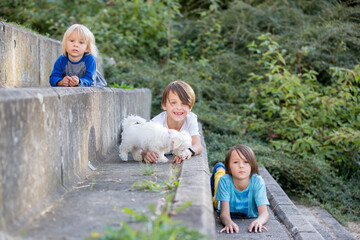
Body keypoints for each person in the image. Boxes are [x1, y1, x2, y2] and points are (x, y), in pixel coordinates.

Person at [211, 144, 269, 234]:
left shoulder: (257, 181)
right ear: (229, 166)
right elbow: (224, 214)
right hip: (220, 200)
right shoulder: (225, 181)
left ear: (252, 165)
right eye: (235, 162)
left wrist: (259, 221)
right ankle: (219, 168)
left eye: (246, 162)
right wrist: (228, 222)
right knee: (218, 178)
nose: (241, 166)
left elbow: (264, 213)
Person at [143, 80, 202, 164]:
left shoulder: (190, 119)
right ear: (164, 105)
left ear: (190, 107)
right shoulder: (156, 124)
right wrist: (145, 154)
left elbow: (198, 145)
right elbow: (139, 144)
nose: (179, 107)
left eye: (184, 103)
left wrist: (188, 152)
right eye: (173, 103)